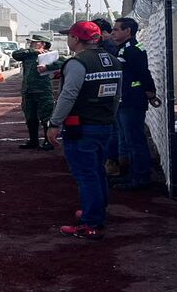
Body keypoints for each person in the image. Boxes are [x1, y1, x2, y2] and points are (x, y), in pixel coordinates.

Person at [44, 21, 122, 241]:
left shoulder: (78, 63)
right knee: (97, 171)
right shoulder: (113, 61)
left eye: (70, 35)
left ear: (76, 39)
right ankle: (96, 211)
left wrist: (54, 123)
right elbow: (117, 95)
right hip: (104, 124)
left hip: (81, 126)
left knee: (86, 174)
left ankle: (91, 222)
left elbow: (68, 95)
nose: (69, 39)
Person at [107, 17, 162, 190]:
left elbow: (143, 72)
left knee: (134, 140)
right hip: (123, 100)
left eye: (116, 29)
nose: (113, 32)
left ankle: (141, 178)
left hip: (132, 101)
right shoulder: (122, 49)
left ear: (127, 31)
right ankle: (131, 175)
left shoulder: (132, 50)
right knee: (126, 140)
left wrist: (150, 92)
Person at [10, 35, 56, 151]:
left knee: (46, 117)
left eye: (35, 42)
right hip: (28, 91)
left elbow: (60, 63)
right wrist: (32, 51)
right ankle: (33, 140)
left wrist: (47, 66)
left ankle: (48, 140)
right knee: (30, 117)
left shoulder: (49, 55)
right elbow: (15, 55)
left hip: (43, 90)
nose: (32, 44)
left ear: (43, 44)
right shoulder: (28, 54)